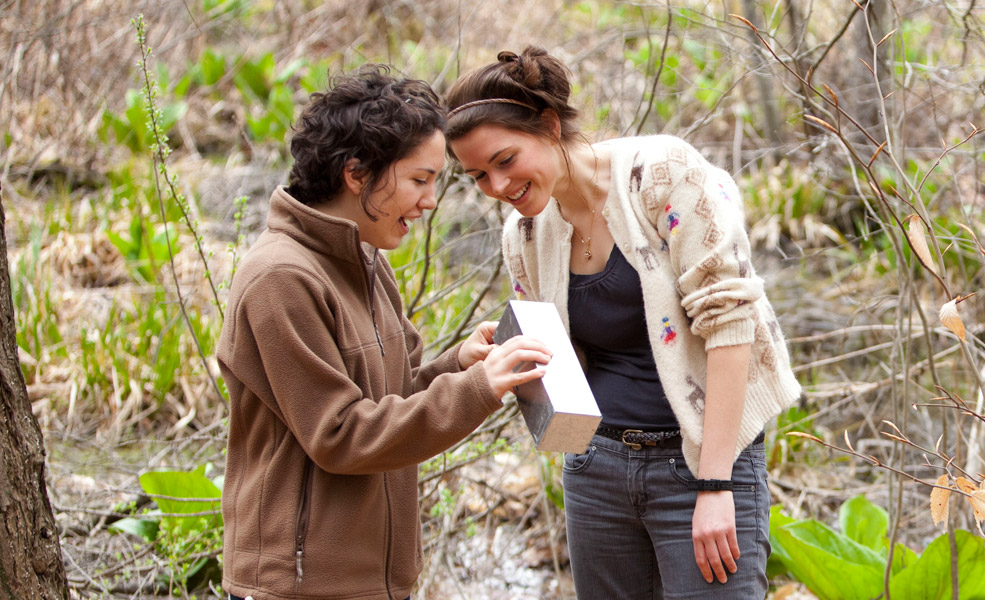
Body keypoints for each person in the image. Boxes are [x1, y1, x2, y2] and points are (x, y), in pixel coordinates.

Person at [444, 46, 801, 598]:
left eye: (505, 160)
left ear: (549, 124)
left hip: (701, 462)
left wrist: (714, 482)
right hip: (597, 470)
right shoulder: (525, 233)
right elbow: (558, 355)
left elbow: (732, 325)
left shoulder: (662, 175)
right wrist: (500, 350)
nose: (496, 186)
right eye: (477, 176)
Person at [215, 65, 551, 600]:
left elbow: (389, 399)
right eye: (419, 179)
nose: (430, 201)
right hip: (298, 586)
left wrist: (458, 366)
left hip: (372, 581)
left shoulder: (367, 259)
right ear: (356, 174)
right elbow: (341, 434)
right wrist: (477, 389)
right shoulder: (281, 279)